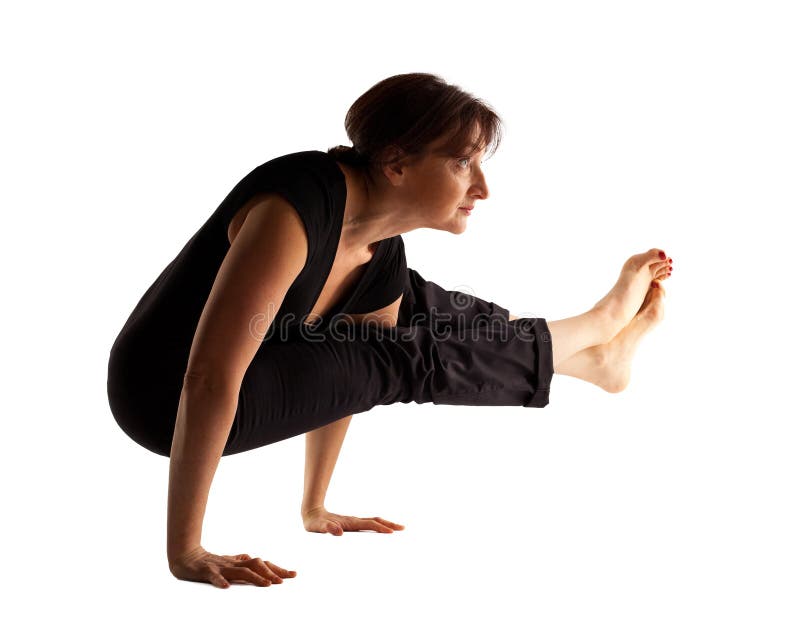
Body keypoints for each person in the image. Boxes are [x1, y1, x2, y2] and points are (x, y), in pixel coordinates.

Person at [106, 72, 673, 589]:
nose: (482, 188)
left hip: (252, 370)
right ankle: (592, 332)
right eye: (461, 163)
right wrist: (186, 550)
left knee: (420, 310)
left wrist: (314, 505)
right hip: (163, 397)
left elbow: (342, 380)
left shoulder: (381, 251)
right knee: (393, 356)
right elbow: (207, 378)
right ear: (396, 162)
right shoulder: (294, 211)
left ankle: (592, 360)